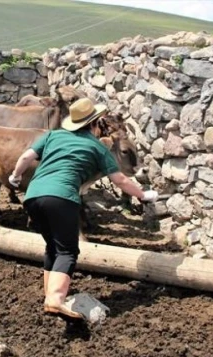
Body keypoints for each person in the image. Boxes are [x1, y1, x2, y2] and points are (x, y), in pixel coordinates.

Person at [9, 97, 158, 321]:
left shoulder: (52, 135)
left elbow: (26, 156)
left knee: (53, 247)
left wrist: (15, 176)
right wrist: (143, 195)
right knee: (68, 251)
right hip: (61, 198)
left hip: (32, 196)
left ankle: (49, 296)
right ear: (95, 123)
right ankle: (56, 300)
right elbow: (120, 180)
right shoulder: (97, 146)